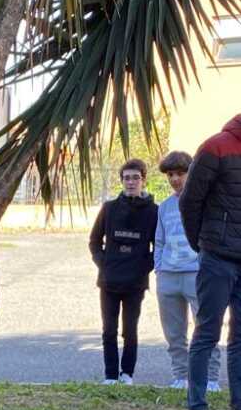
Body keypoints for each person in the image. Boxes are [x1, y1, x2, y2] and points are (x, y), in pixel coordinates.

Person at [179, 114, 241, 410]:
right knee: (207, 333)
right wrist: (201, 244)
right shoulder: (216, 147)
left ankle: (238, 409)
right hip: (217, 258)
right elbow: (190, 201)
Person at [155, 151, 221, 391]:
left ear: (191, 173)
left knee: (205, 328)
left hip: (197, 274)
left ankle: (211, 378)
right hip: (169, 276)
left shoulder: (204, 202)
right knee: (174, 333)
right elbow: (159, 241)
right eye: (170, 175)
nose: (175, 179)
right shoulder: (164, 207)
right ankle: (180, 376)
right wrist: (159, 268)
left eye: (180, 173)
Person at [89, 159, 158, 385]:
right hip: (109, 281)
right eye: (127, 178)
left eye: (135, 177)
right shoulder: (109, 209)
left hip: (135, 283)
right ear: (122, 181)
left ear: (143, 180)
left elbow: (158, 247)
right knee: (109, 330)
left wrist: (142, 267)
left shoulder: (153, 212)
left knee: (130, 330)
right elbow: (94, 241)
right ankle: (110, 375)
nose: (131, 182)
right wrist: (104, 263)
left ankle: (127, 373)